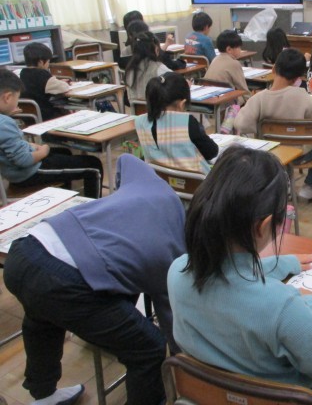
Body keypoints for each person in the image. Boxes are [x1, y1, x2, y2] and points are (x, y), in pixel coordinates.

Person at [168, 146, 312, 404]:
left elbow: (230, 275)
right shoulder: (284, 307)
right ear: (264, 226)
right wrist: (310, 301)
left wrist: (281, 264)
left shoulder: (177, 272)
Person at [3, 154, 186, 405]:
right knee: (149, 347)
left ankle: (43, 394)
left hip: (23, 252)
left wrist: (119, 203)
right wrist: (182, 359)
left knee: (42, 313)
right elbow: (170, 319)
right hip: (60, 278)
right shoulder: (174, 252)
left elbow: (126, 160)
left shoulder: (156, 188)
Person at [235, 49, 312, 200]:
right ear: (299, 77)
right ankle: (309, 186)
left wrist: (260, 129)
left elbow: (241, 124)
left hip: (269, 152)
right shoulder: (305, 98)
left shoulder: (258, 99)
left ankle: (284, 183)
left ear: (274, 68)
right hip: (299, 154)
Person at [0, 70, 103, 198]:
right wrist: (44, 150)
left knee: (64, 152)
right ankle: (93, 208)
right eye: (17, 98)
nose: (18, 102)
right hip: (28, 173)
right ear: (7, 98)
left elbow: (13, 145)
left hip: (15, 171)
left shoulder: (3, 120)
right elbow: (24, 160)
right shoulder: (4, 123)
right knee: (94, 165)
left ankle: (64, 198)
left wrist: (33, 146)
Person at [135, 72, 218, 175]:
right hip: (196, 182)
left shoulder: (140, 122)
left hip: (159, 180)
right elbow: (212, 152)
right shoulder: (187, 122)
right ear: (181, 104)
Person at [19, 43, 71, 121]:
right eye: (48, 62)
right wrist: (64, 83)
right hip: (46, 115)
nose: (48, 65)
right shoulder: (42, 74)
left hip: (29, 116)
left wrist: (56, 82)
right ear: (40, 62)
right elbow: (63, 88)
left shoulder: (23, 73)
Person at [204, 29, 250, 104]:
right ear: (229, 49)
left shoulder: (215, 59)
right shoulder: (234, 63)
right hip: (226, 102)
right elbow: (243, 89)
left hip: (209, 99)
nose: (240, 50)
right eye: (238, 47)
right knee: (244, 97)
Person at [124, 31, 171, 101]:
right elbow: (176, 82)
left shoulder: (129, 69)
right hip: (156, 107)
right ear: (156, 48)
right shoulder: (157, 67)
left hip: (136, 108)